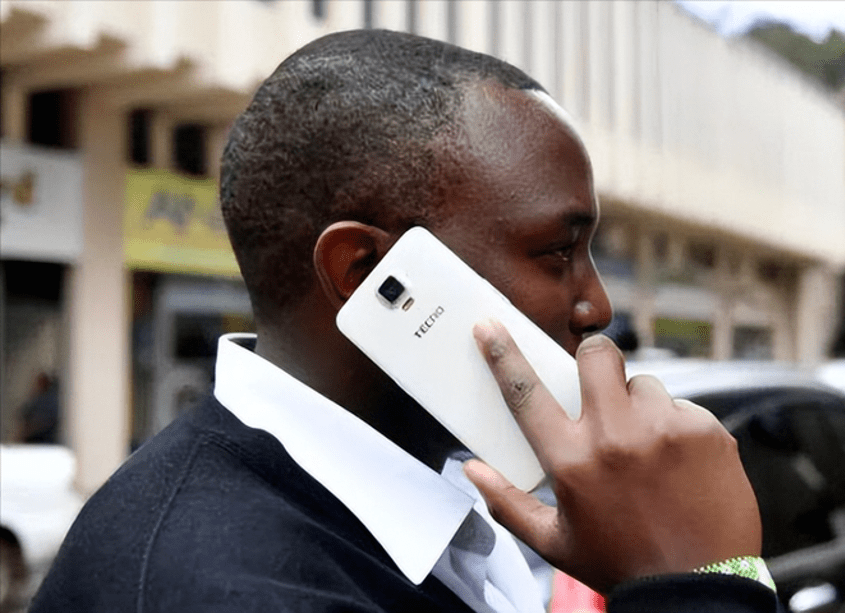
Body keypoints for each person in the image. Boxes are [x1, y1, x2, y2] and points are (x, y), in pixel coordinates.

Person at [31, 30, 779, 612]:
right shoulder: (227, 588)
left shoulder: (435, 488)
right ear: (363, 273)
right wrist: (699, 580)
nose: (598, 307)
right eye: (557, 252)